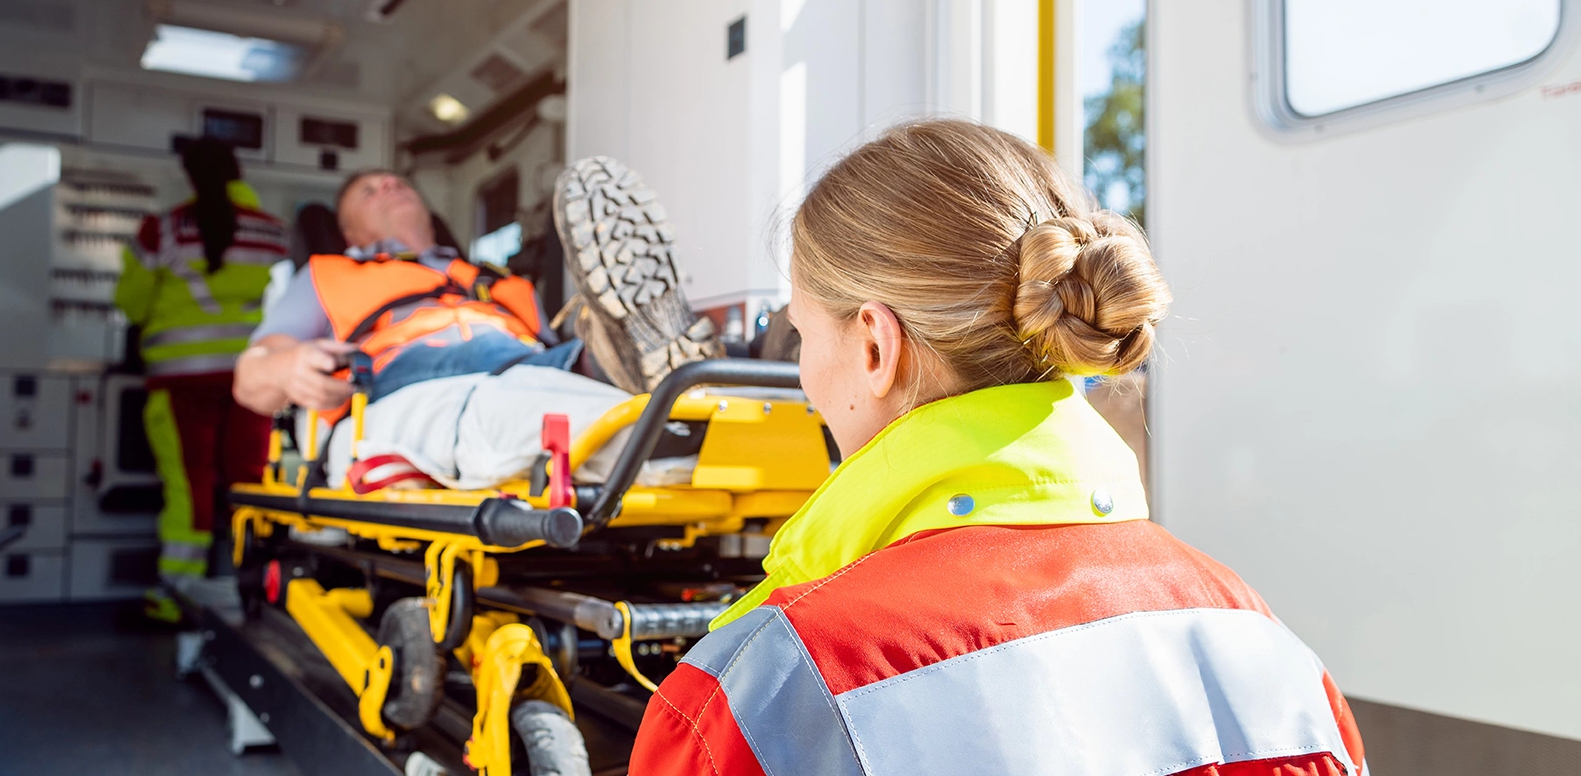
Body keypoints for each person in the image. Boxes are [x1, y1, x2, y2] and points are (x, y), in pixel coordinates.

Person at [629, 119, 1366, 776]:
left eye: (801, 333)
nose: (802, 369)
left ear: (877, 346)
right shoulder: (1259, 641)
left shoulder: (756, 696)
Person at [234, 164, 719, 417]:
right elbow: (250, 378)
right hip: (396, 372)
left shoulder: (501, 284)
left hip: (524, 360)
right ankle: (627, 357)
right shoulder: (328, 272)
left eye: (397, 181)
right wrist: (285, 368)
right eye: (370, 190)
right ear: (349, 234)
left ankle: (743, 352)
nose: (389, 186)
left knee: (532, 352)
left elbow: (544, 351)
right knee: (488, 348)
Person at [113, 137, 288, 622]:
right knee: (249, 482)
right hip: (253, 379)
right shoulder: (276, 233)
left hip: (181, 380)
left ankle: (175, 593)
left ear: (189, 175)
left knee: (189, 486)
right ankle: (252, 588)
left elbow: (130, 303)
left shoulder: (162, 229)